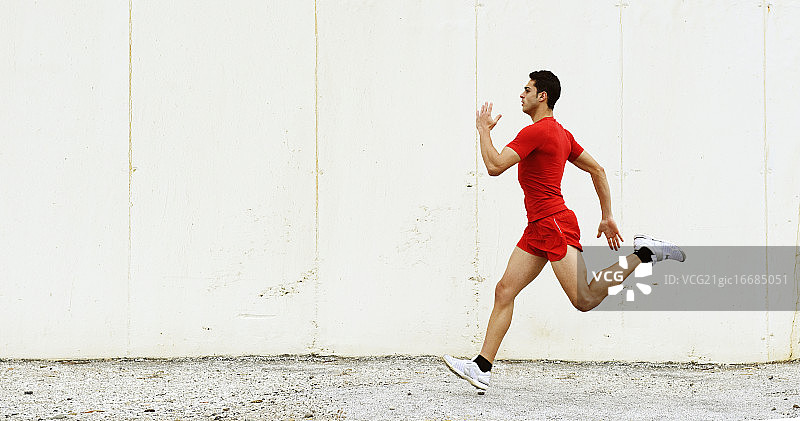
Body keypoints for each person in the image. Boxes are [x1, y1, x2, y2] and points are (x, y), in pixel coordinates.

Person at [443, 70, 685, 391]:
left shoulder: (537, 132)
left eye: (527, 90)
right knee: (504, 291)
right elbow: (596, 169)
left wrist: (483, 130)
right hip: (539, 225)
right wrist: (607, 215)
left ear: (542, 96)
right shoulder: (561, 134)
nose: (521, 95)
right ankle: (482, 367)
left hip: (553, 222)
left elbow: (494, 165)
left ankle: (643, 253)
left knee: (583, 299)